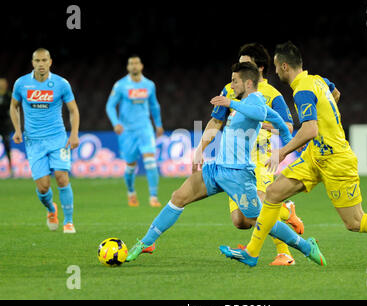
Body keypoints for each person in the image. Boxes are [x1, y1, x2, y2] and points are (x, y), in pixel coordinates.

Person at [220, 41, 367, 270]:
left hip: (336, 159)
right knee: (272, 194)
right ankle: (252, 253)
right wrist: (326, 120)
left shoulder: (302, 90)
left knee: (354, 221)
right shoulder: (319, 80)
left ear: (283, 67)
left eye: (275, 65)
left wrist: (283, 151)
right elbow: (335, 94)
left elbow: (309, 129)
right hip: (315, 156)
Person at [126, 62, 325, 266]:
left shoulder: (255, 100)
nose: (231, 85)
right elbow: (279, 122)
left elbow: (260, 114)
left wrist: (232, 104)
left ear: (248, 83)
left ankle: (306, 247)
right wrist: (286, 141)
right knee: (179, 196)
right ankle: (146, 242)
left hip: (239, 175)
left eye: (234, 81)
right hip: (217, 169)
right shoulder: (243, 102)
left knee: (261, 220)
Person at [209, 43, 304, 266]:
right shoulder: (229, 89)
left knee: (260, 208)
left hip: (260, 159)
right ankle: (284, 210)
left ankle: (284, 253)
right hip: (234, 162)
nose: (240, 68)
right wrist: (201, 149)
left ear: (260, 68)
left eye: (246, 64)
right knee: (240, 220)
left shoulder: (272, 95)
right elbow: (216, 120)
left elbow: (288, 126)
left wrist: (262, 125)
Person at [9, 48, 80, 233]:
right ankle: (51, 209)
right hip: (34, 141)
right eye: (37, 60)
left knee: (62, 177)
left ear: (50, 62)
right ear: (33, 63)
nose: (41, 64)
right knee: (43, 187)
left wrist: (74, 134)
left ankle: (69, 221)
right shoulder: (21, 83)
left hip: (58, 138)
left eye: (44, 60)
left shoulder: (61, 84)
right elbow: (13, 106)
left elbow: (73, 109)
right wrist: (17, 129)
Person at [106, 55, 164, 208]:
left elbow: (154, 106)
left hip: (145, 129)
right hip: (127, 132)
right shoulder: (121, 85)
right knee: (130, 166)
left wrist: (158, 124)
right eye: (131, 63)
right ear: (128, 67)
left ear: (141, 66)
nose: (134, 66)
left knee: (151, 163)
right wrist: (116, 123)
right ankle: (131, 193)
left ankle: (153, 197)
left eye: (136, 63)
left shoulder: (149, 85)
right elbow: (110, 106)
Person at [0, 77, 12, 174]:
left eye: (3, 83)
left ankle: (10, 168)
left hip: (5, 125)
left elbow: (13, 109)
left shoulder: (9, 96)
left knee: (7, 145)